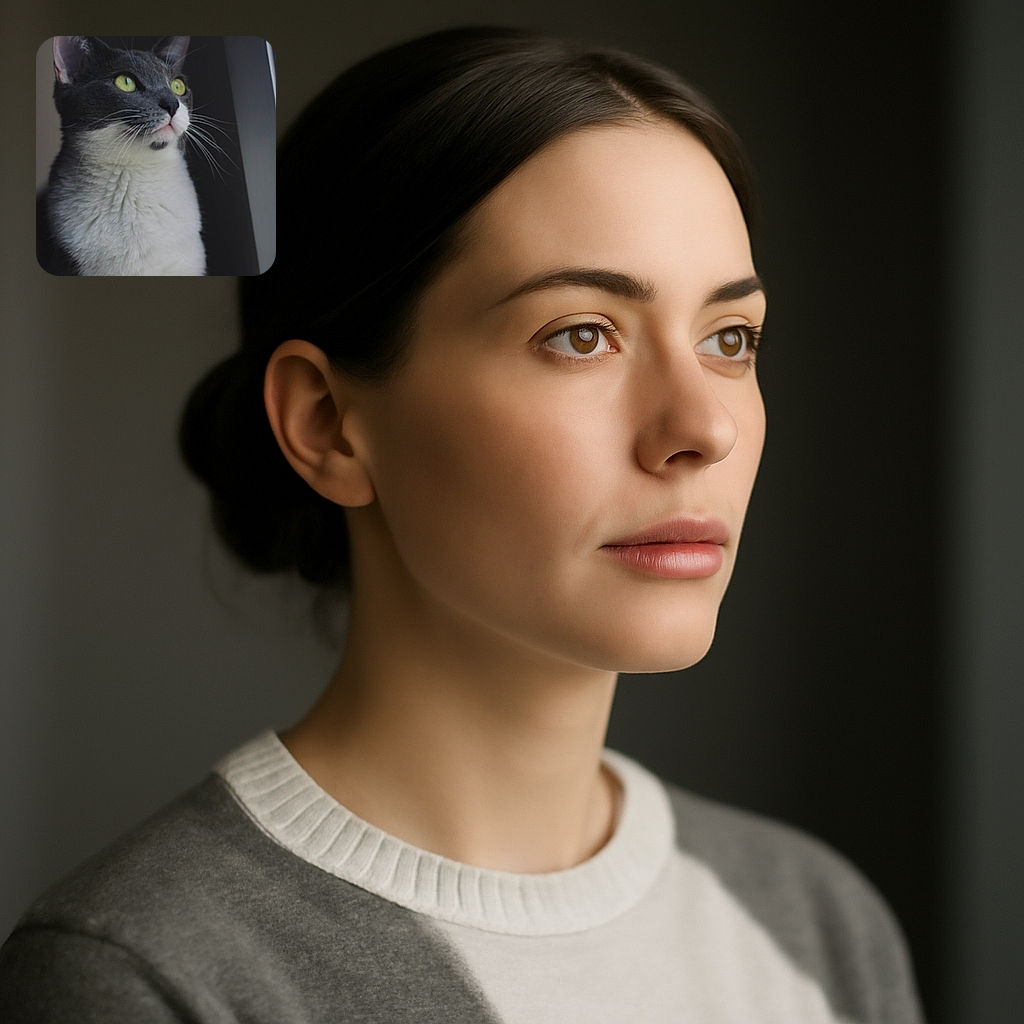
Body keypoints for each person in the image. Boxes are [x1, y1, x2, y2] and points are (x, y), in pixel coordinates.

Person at [0, 26, 925, 1022]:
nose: (700, 427)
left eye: (729, 338)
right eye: (580, 335)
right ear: (328, 424)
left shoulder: (815, 916)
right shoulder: (144, 972)